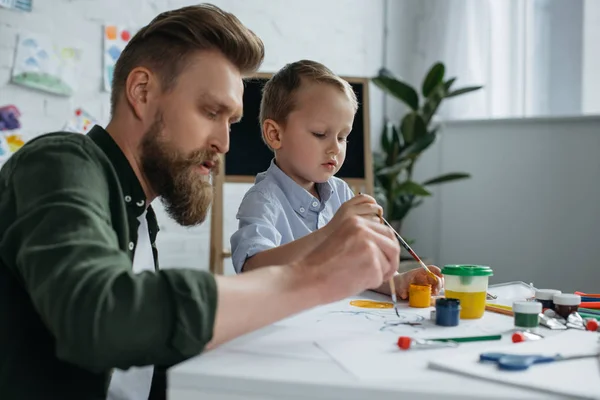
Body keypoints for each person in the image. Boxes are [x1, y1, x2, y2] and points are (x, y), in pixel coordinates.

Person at [0, 4, 401, 400]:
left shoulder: (136, 213)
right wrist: (314, 277)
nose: (223, 143)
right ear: (142, 92)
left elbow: (134, 367)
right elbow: (101, 315)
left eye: (230, 122)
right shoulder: (60, 161)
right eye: (211, 111)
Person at [230, 60, 442, 299]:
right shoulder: (263, 200)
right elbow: (253, 269)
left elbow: (356, 269)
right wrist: (332, 231)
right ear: (276, 134)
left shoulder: (340, 193)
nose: (334, 148)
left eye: (343, 137)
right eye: (320, 134)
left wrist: (398, 282)